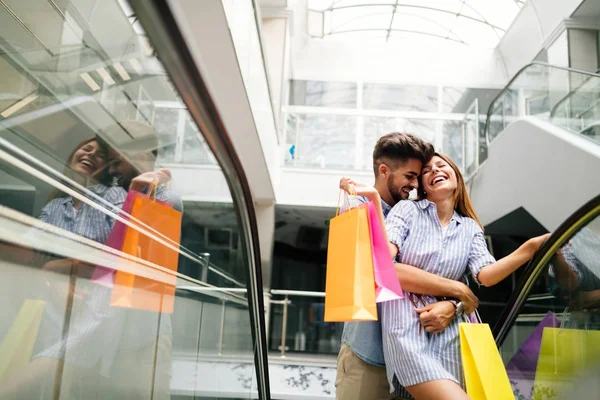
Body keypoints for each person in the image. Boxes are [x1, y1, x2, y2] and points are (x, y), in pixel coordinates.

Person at [341, 152, 550, 400]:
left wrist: (531, 248)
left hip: (452, 335)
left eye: (442, 166)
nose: (435, 171)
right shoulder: (407, 210)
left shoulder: (470, 227)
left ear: (457, 177)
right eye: (427, 170)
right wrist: (375, 199)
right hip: (408, 334)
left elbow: (487, 275)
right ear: (423, 186)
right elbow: (384, 260)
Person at [335, 135, 480, 400]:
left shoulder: (419, 214)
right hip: (370, 357)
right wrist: (459, 290)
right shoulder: (357, 210)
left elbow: (443, 274)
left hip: (421, 353)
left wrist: (454, 304)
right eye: (410, 176)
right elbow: (386, 272)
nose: (415, 185)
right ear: (384, 170)